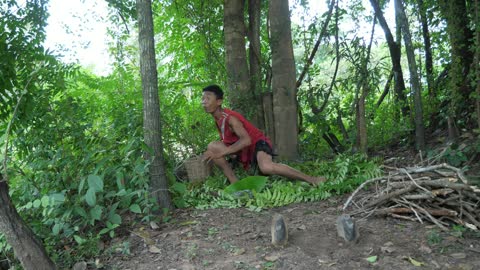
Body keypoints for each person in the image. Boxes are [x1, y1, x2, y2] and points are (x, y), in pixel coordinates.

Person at [201, 84, 326, 185]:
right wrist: (224, 153)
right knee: (213, 146)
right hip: (244, 150)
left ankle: (311, 179)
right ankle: (236, 185)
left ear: (219, 101)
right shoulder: (218, 119)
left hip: (257, 143)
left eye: (208, 98)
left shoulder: (230, 118)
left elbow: (246, 141)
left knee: (266, 167)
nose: (204, 102)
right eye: (202, 99)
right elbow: (229, 141)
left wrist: (222, 153)